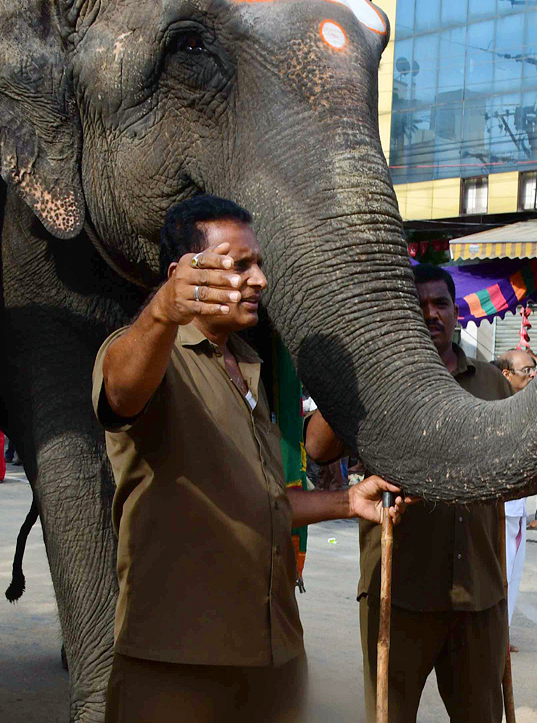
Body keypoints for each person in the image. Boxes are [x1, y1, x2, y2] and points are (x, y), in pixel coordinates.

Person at [94, 195, 408, 723]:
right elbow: (120, 394)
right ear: (183, 274)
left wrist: (347, 500)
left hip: (273, 657)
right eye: (240, 265)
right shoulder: (149, 354)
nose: (259, 279)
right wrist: (161, 311)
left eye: (258, 264)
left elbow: (262, 504)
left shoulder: (249, 369)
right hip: (177, 666)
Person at [306, 264, 511, 723]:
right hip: (397, 594)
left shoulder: (493, 384)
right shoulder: (376, 385)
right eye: (419, 306)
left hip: (478, 594)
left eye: (440, 303)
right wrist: (354, 382)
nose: (431, 314)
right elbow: (318, 448)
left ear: (456, 313)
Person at [494, 347, 537, 650]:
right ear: (506, 374)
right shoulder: (494, 409)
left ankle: (502, 632)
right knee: (498, 574)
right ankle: (491, 633)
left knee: (513, 574)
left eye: (535, 368)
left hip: (518, 508)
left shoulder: (528, 405)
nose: (533, 375)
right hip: (499, 509)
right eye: (526, 370)